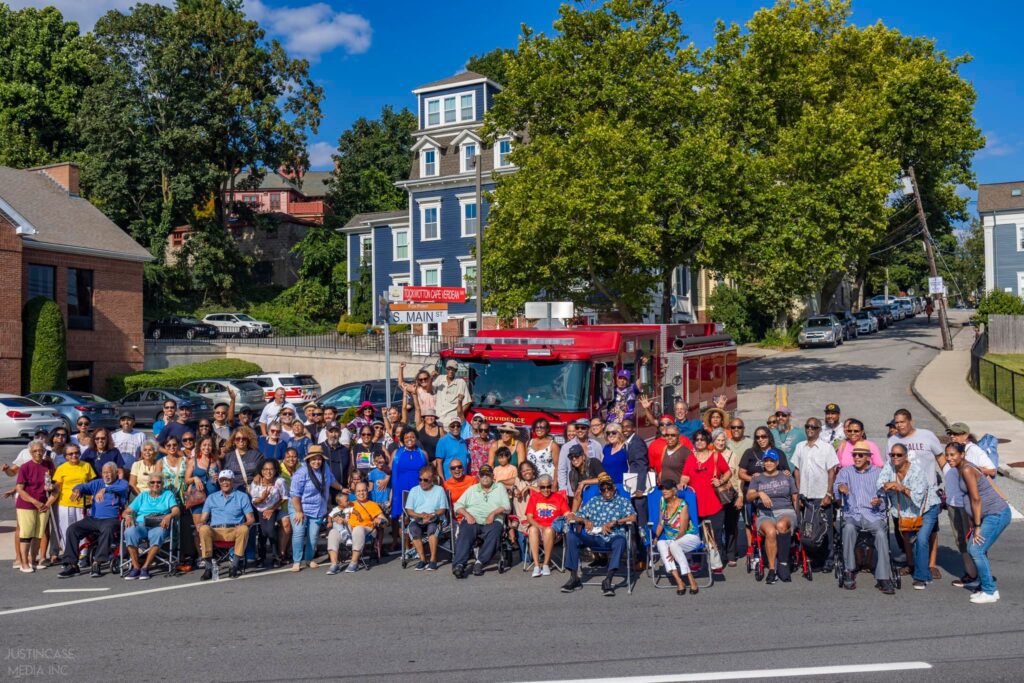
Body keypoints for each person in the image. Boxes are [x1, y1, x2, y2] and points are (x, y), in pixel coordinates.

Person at [947, 441, 1011, 604]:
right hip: (987, 515)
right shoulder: (962, 468)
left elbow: (976, 499)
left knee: (975, 549)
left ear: (962, 455)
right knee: (977, 549)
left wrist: (977, 526)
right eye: (947, 455)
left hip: (996, 514)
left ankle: (990, 591)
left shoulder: (967, 469)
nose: (949, 458)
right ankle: (986, 586)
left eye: (952, 454)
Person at [887, 409, 944, 581]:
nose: (899, 425)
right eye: (897, 422)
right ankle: (910, 563)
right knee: (907, 529)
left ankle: (931, 565)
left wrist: (949, 483)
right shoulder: (892, 440)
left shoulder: (927, 436)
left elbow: (941, 458)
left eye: (902, 421)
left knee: (931, 531)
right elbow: (889, 465)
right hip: (904, 493)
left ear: (910, 421)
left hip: (928, 494)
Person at [560, 474, 637, 597]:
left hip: (613, 537)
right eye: (603, 489)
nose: (606, 491)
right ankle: (574, 578)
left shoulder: (623, 501)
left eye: (609, 488)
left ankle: (608, 580)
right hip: (594, 536)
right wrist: (584, 521)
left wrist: (616, 522)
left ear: (614, 488)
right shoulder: (594, 501)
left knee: (621, 541)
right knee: (571, 536)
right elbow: (575, 515)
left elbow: (633, 517)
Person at [833, 443, 895, 594]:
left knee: (881, 533)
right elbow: (837, 488)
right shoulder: (846, 472)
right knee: (847, 528)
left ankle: (883, 577)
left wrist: (879, 501)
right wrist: (841, 488)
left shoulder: (878, 473)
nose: (857, 458)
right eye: (854, 455)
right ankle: (849, 569)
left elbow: (884, 498)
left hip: (872, 514)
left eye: (861, 455)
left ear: (868, 457)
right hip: (852, 513)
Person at [943, 423, 996, 589]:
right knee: (961, 542)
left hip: (968, 506)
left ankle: (983, 578)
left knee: (975, 543)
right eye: (951, 433)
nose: (953, 436)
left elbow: (992, 470)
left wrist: (971, 469)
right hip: (953, 503)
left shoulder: (973, 451)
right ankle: (971, 574)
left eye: (957, 434)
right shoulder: (951, 451)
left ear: (966, 435)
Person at [877, 443, 937, 589]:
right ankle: (918, 569)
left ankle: (921, 578)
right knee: (910, 540)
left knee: (922, 540)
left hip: (927, 508)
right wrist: (888, 485)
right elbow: (880, 483)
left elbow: (918, 497)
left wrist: (901, 488)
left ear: (906, 456)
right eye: (892, 455)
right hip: (906, 511)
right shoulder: (889, 466)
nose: (895, 458)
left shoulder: (916, 471)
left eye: (899, 455)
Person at [58, 462, 129, 578]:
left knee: (107, 529)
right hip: (94, 519)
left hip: (112, 519)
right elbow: (83, 486)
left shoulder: (121, 483)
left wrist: (105, 490)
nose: (106, 475)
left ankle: (98, 562)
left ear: (116, 473)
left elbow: (123, 488)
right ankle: (71, 565)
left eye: (109, 472)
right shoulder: (97, 483)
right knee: (72, 529)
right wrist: (77, 490)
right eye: (104, 472)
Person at [791, 417, 839, 571]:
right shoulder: (800, 447)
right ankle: (814, 559)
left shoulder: (827, 448)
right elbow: (797, 469)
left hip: (821, 495)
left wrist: (829, 494)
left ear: (819, 429)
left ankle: (828, 560)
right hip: (806, 495)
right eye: (807, 426)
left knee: (825, 528)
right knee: (808, 528)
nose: (810, 429)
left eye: (814, 427)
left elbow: (832, 471)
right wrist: (799, 492)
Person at [679, 429, 731, 567]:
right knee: (696, 534)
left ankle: (717, 561)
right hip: (695, 504)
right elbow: (685, 476)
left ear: (707, 441)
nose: (700, 442)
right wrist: (682, 482)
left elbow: (728, 472)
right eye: (697, 439)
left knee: (716, 533)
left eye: (702, 439)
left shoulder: (715, 456)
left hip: (714, 502)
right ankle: (697, 561)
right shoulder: (691, 458)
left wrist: (721, 481)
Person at [746, 450, 798, 584]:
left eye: (772, 461)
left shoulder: (786, 476)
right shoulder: (757, 478)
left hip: (785, 511)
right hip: (765, 513)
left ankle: (783, 563)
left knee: (781, 526)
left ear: (777, 462)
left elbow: (795, 497)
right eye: (766, 461)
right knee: (770, 531)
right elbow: (749, 496)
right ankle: (772, 569)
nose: (769, 463)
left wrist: (798, 516)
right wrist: (759, 493)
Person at [289, 446, 342, 571]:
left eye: (319, 459)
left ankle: (309, 559)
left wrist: (341, 488)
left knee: (313, 536)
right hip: (299, 507)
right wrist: (298, 511)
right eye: (313, 459)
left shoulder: (325, 468)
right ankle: (297, 561)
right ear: (308, 460)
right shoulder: (301, 473)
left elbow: (332, 480)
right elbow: (295, 494)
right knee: (299, 533)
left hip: (317, 508)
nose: (316, 462)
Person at [452, 464, 510, 578]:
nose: (485, 477)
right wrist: (467, 515)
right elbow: (457, 505)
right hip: (473, 519)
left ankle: (480, 562)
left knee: (495, 532)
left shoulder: (499, 487)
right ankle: (459, 564)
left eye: (488, 475)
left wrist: (493, 514)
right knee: (465, 531)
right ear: (478, 476)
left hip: (493, 520)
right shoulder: (472, 489)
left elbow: (507, 506)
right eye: (482, 475)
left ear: (493, 476)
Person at [197, 470, 255, 579]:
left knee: (244, 529)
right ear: (219, 482)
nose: (225, 483)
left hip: (234, 529)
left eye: (227, 480)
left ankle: (234, 566)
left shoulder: (242, 496)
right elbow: (203, 518)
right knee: (204, 529)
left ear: (232, 481)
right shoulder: (211, 497)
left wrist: (244, 524)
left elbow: (251, 519)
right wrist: (201, 523)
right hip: (216, 531)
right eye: (222, 480)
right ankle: (208, 568)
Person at [123, 477, 180, 579]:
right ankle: (136, 567)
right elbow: (126, 511)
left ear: (162, 484)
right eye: (152, 482)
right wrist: (128, 516)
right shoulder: (143, 495)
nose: (155, 484)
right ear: (148, 484)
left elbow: (176, 510)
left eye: (159, 482)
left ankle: (145, 567)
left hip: (159, 524)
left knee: (158, 534)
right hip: (141, 524)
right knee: (129, 532)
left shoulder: (167, 494)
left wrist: (169, 516)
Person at [13, 442, 56, 573]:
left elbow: (54, 484)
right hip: (27, 504)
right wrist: (35, 502)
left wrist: (48, 498)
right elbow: (20, 489)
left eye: (41, 450)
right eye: (35, 451)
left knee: (38, 534)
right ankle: (24, 562)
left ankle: (33, 560)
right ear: (31, 452)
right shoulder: (25, 467)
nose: (38, 453)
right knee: (26, 534)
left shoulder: (48, 465)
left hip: (44, 504)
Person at [654, 479, 701, 595]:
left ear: (674, 491)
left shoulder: (683, 505)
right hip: (672, 541)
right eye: (662, 489)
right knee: (660, 543)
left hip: (689, 537)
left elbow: (683, 530)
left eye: (667, 489)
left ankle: (690, 578)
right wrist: (655, 537)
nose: (664, 491)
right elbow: (661, 523)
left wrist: (671, 548)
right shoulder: (662, 502)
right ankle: (679, 581)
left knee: (673, 545)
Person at [51, 443, 95, 560]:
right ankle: (69, 554)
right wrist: (49, 498)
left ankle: (83, 554)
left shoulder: (86, 466)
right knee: (66, 529)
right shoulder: (61, 468)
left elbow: (91, 485)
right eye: (71, 454)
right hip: (65, 504)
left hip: (83, 504)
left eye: (76, 453)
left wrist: (90, 503)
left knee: (84, 530)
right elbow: (57, 487)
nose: (74, 455)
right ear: (66, 456)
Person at [333, 481, 387, 574]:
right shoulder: (349, 504)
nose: (361, 493)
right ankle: (334, 564)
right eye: (358, 491)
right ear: (355, 492)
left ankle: (354, 562)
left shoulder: (373, 505)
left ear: (367, 491)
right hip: (349, 530)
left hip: (368, 530)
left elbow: (386, 522)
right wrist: (337, 518)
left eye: (363, 490)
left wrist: (380, 520)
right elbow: (337, 514)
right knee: (333, 533)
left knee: (358, 528)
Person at [390, 429, 429, 548]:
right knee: (404, 520)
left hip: (419, 490)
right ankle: (407, 548)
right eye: (406, 437)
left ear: (416, 438)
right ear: (402, 439)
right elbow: (390, 471)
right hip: (401, 490)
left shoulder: (423, 453)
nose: (409, 439)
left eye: (412, 437)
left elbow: (427, 473)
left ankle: (417, 546)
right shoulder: (397, 453)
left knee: (417, 518)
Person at [404, 465, 448, 571]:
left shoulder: (439, 490)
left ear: (432, 479)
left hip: (435, 518)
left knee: (432, 528)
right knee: (413, 528)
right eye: (420, 479)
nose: (422, 482)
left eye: (425, 480)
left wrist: (431, 515)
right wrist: (421, 516)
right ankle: (422, 559)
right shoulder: (414, 490)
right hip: (418, 519)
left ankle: (433, 559)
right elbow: (409, 511)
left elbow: (442, 509)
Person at [525, 473, 570, 576]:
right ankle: (536, 565)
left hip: (554, 532)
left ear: (551, 486)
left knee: (548, 530)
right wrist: (540, 527)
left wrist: (572, 517)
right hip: (537, 528)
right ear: (539, 487)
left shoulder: (559, 498)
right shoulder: (534, 497)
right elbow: (529, 517)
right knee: (532, 529)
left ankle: (546, 564)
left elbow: (567, 514)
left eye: (548, 487)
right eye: (543, 487)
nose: (546, 490)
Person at [714, 430, 744, 567]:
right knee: (717, 527)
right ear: (713, 441)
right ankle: (719, 555)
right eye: (718, 440)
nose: (720, 443)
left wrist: (740, 496)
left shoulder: (733, 455)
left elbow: (738, 478)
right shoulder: (709, 455)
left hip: (731, 495)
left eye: (722, 440)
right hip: (714, 496)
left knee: (731, 526)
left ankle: (731, 554)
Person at [250, 460, 287, 569]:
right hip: (258, 510)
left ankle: (276, 557)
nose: (268, 472)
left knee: (270, 531)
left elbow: (284, 498)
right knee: (262, 534)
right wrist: (262, 498)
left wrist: (271, 509)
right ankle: (262, 558)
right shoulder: (256, 483)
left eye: (271, 469)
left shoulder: (280, 481)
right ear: (261, 471)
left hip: (273, 509)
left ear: (276, 470)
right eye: (265, 469)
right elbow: (255, 501)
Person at [432, 359, 469, 426]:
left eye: (453, 369)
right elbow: (429, 389)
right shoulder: (440, 378)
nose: (451, 371)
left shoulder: (461, 382)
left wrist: (458, 415)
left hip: (451, 422)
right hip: (437, 419)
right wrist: (431, 377)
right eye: (449, 369)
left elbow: (468, 402)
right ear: (446, 369)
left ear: (456, 371)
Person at [567, 445, 605, 510]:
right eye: (571, 457)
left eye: (576, 456)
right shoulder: (572, 474)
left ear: (583, 456)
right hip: (587, 505)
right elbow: (577, 497)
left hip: (602, 500)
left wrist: (584, 482)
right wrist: (573, 514)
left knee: (592, 487)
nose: (574, 459)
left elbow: (604, 478)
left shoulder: (593, 462)